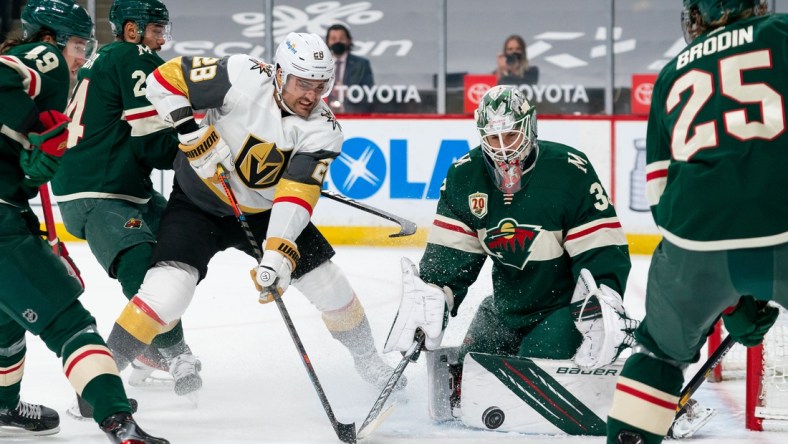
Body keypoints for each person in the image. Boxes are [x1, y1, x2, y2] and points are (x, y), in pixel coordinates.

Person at [103, 31, 406, 394]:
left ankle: (371, 363)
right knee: (166, 294)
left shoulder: (324, 131)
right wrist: (188, 129)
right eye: (302, 83)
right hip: (197, 205)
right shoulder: (240, 73)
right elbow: (163, 79)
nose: (311, 95)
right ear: (279, 73)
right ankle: (100, 381)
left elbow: (297, 194)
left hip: (265, 213)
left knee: (331, 286)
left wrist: (278, 252)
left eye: (320, 86)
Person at [384, 85, 632, 432]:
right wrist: (432, 297)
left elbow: (600, 249)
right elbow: (450, 259)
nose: (503, 148)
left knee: (533, 374)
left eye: (511, 133)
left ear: (530, 126)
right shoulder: (464, 175)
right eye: (493, 137)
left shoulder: (569, 170)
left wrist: (604, 298)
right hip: (505, 308)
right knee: (470, 370)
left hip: (562, 309)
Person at [606, 1, 786, 443]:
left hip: (694, 247)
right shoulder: (781, 32)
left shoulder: (671, 74)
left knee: (658, 356)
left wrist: (725, 293)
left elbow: (659, 196)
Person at [0, 1, 168, 442]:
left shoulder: (56, 88)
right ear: (50, 37)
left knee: (6, 323)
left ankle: (2, 404)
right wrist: (34, 124)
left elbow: (21, 166)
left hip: (9, 213)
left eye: (86, 45)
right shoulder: (47, 59)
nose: (81, 55)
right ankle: (115, 417)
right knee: (71, 326)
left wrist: (32, 165)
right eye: (78, 44)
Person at [51, 0, 201, 406]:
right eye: (155, 29)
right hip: (97, 188)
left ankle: (149, 351)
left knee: (187, 241)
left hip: (122, 185)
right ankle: (169, 353)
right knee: (140, 259)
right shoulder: (135, 56)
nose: (161, 37)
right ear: (132, 30)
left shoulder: (113, 57)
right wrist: (198, 152)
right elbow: (150, 141)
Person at [325, 23, 374, 113]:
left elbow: (369, 92)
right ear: (327, 42)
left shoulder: (361, 64)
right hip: (325, 113)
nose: (337, 42)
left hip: (354, 114)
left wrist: (349, 93)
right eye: (333, 39)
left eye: (341, 39)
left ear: (349, 40)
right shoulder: (322, 64)